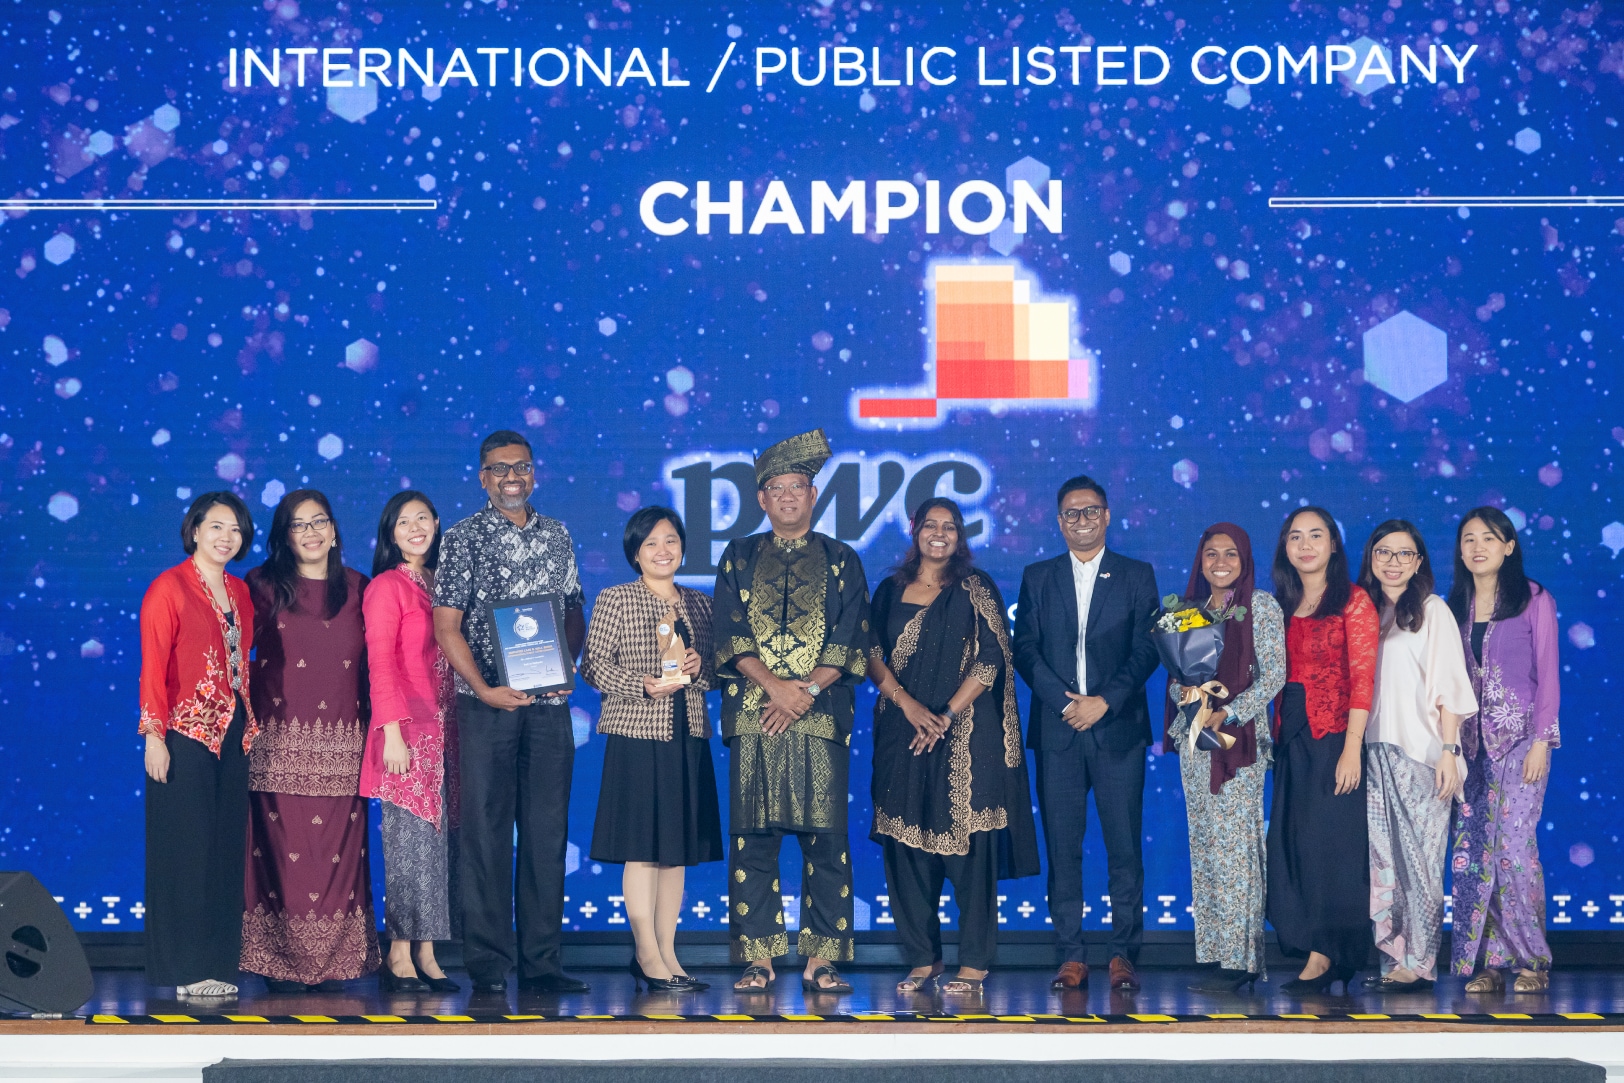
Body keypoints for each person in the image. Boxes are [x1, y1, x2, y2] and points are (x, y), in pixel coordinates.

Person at [712, 429, 872, 996]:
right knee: (752, 842)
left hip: (820, 717)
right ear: (761, 498)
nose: (786, 496)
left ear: (813, 494)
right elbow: (728, 633)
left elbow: (852, 636)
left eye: (796, 487)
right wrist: (777, 689)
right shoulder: (737, 555)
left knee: (825, 841)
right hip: (755, 717)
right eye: (776, 488)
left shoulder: (841, 558)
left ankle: (821, 960)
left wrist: (803, 692)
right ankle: (758, 959)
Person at [433, 430, 589, 996]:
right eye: (499, 469)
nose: (511, 477)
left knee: (547, 834)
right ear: (483, 478)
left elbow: (573, 607)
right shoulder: (462, 538)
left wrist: (566, 665)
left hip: (549, 706)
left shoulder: (557, 534)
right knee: (486, 833)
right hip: (485, 707)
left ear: (534, 472)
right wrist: (484, 688)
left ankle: (542, 962)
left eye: (520, 466)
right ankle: (488, 964)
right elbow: (446, 626)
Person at [867, 498, 1039, 997]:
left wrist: (943, 715)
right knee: (906, 849)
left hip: (966, 735)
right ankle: (923, 959)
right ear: (915, 530)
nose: (939, 533)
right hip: (902, 732)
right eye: (930, 525)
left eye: (950, 526)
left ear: (960, 536)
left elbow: (991, 659)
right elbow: (870, 653)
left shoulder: (975, 587)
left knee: (971, 853)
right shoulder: (889, 590)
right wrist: (909, 706)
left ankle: (974, 964)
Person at [1012, 474, 1159, 993]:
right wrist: (1063, 702)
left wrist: (1105, 701)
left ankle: (1123, 955)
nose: (1082, 520)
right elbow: (1024, 648)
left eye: (1091, 510)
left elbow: (1148, 648)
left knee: (1125, 849)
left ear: (1107, 516)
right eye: (1072, 513)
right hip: (1058, 733)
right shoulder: (1038, 576)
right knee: (1063, 849)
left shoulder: (1137, 575)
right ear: (1059, 522)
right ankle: (1070, 955)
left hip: (1117, 729)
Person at [240, 490, 379, 993]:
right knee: (283, 858)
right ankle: (279, 964)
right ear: (285, 536)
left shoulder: (360, 588)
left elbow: (380, 665)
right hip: (277, 744)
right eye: (299, 525)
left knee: (336, 859)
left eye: (320, 521)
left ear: (335, 530)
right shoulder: (259, 586)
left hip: (344, 746)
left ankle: (336, 963)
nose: (312, 532)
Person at [582, 507, 722, 993]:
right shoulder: (617, 598)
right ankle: (645, 952)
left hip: (688, 734)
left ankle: (668, 952)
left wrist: (701, 668)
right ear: (635, 553)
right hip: (637, 735)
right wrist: (642, 684)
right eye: (651, 543)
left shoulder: (700, 604)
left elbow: (713, 675)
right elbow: (593, 666)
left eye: (671, 541)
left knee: (675, 852)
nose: (663, 551)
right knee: (642, 849)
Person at [139, 491, 259, 1000]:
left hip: (234, 733)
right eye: (216, 527)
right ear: (194, 531)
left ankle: (217, 963)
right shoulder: (168, 587)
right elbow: (153, 666)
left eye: (235, 529)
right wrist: (154, 736)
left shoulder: (241, 592)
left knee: (225, 850)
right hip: (183, 734)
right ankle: (186, 968)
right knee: (185, 851)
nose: (226, 537)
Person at [1163, 524, 1286, 994]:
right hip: (1196, 739)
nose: (1220, 562)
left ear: (1245, 559)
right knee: (1207, 848)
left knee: (1236, 849)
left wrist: (1229, 712)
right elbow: (1176, 676)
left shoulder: (1260, 606)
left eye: (1230, 554)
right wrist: (1187, 695)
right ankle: (1217, 954)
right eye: (1211, 553)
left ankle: (1243, 960)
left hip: (1237, 742)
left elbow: (1274, 674)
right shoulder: (1188, 610)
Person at [1358, 519, 1477, 993]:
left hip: (1424, 754)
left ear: (1419, 562)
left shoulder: (1432, 610)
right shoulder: (1364, 612)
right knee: (1384, 861)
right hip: (1373, 752)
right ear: (1371, 557)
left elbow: (1451, 687)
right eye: (1383, 552)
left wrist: (1449, 750)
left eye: (1404, 553)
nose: (1393, 562)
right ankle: (1394, 956)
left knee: (1422, 866)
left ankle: (1421, 961)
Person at [1446, 506, 1560, 993]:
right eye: (1469, 539)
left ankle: (1532, 960)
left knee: (1513, 851)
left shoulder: (1534, 598)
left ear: (1509, 546)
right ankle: (1487, 963)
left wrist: (1542, 741)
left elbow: (1548, 673)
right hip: (1468, 749)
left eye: (1489, 538)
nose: (1478, 548)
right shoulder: (1453, 605)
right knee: (1473, 855)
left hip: (1521, 743)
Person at [1266, 506, 1379, 995]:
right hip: (1291, 737)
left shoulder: (1353, 600)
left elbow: (1363, 677)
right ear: (1285, 548)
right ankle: (1315, 948)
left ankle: (1328, 955)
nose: (1305, 545)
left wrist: (1352, 748)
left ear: (1333, 544)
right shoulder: (1279, 604)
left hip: (1336, 737)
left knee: (1332, 848)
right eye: (1296, 537)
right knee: (1296, 846)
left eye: (1316, 535)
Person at [361, 491, 461, 994]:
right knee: (407, 847)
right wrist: (392, 733)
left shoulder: (445, 583)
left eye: (423, 517)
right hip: (407, 734)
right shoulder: (386, 587)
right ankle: (398, 953)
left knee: (435, 849)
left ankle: (427, 951)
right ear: (390, 534)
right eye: (404, 521)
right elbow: (380, 664)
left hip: (448, 731)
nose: (415, 527)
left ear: (437, 523)